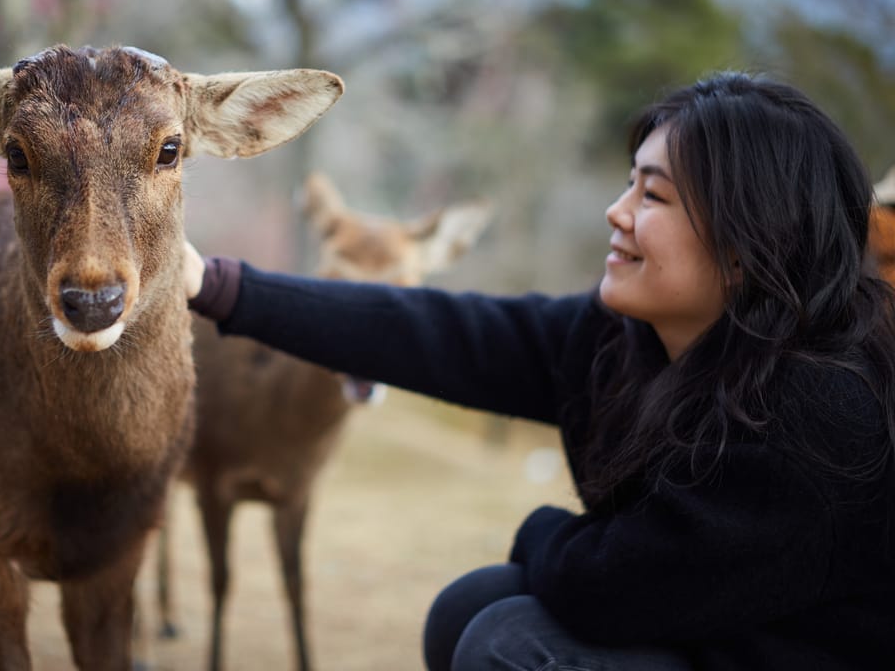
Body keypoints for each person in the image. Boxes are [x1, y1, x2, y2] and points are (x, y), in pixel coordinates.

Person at [183, 71, 895, 671]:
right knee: (473, 603)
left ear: (749, 244)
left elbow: (608, 587)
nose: (615, 213)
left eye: (653, 196)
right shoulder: (630, 340)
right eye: (628, 184)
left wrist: (538, 532)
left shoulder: (820, 412)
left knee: (513, 643)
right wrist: (216, 286)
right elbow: (443, 334)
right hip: (712, 637)